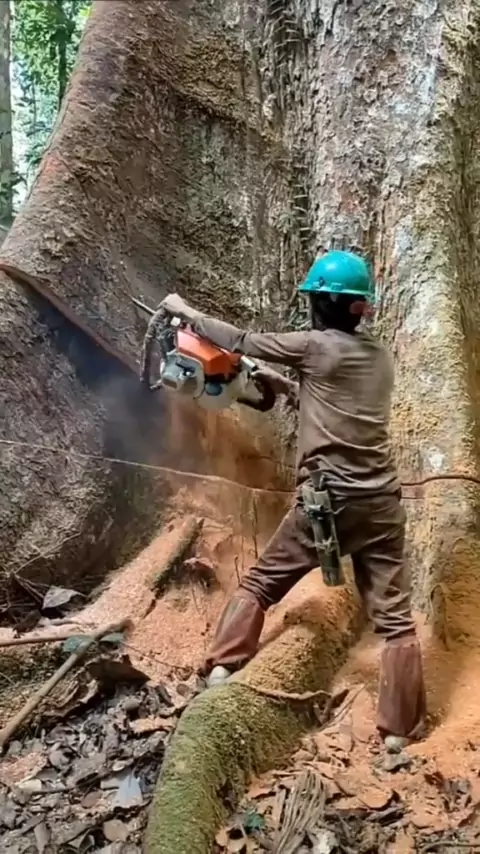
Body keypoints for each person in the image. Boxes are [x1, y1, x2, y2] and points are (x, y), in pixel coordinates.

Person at [161, 249, 426, 752]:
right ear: (359, 307)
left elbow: (241, 341)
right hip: (382, 503)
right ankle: (399, 731)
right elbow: (340, 403)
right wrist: (287, 385)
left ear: (322, 303)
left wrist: (185, 311)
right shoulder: (377, 356)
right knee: (395, 619)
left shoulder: (313, 346)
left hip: (329, 501)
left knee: (262, 581)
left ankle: (222, 666)